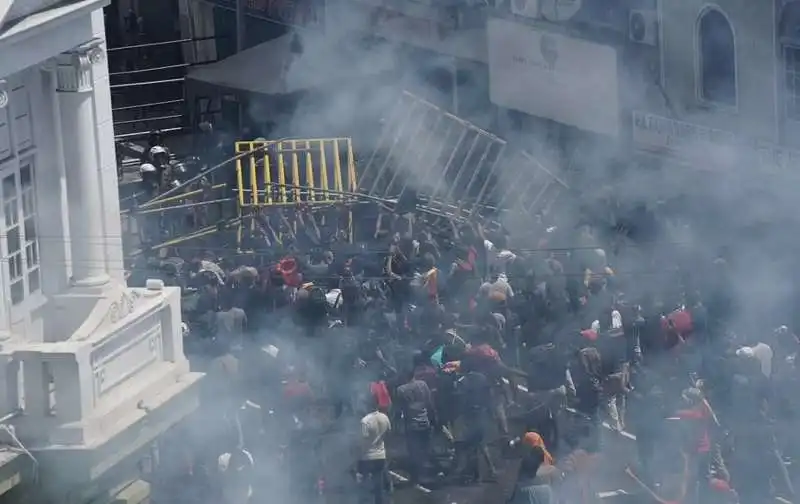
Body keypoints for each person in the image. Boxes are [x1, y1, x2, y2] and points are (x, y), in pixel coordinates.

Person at [395, 370, 440, 484]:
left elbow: (399, 409)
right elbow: (430, 403)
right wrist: (433, 418)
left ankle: (416, 476)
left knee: (414, 451)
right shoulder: (423, 384)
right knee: (426, 448)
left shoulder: (401, 390)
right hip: (425, 421)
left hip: (412, 425)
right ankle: (430, 473)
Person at [357, 395, 391, 504]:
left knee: (364, 486)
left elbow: (364, 441)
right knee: (378, 487)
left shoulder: (365, 421)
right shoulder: (384, 417)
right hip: (381, 455)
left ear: (367, 405)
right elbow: (388, 433)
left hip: (367, 457)